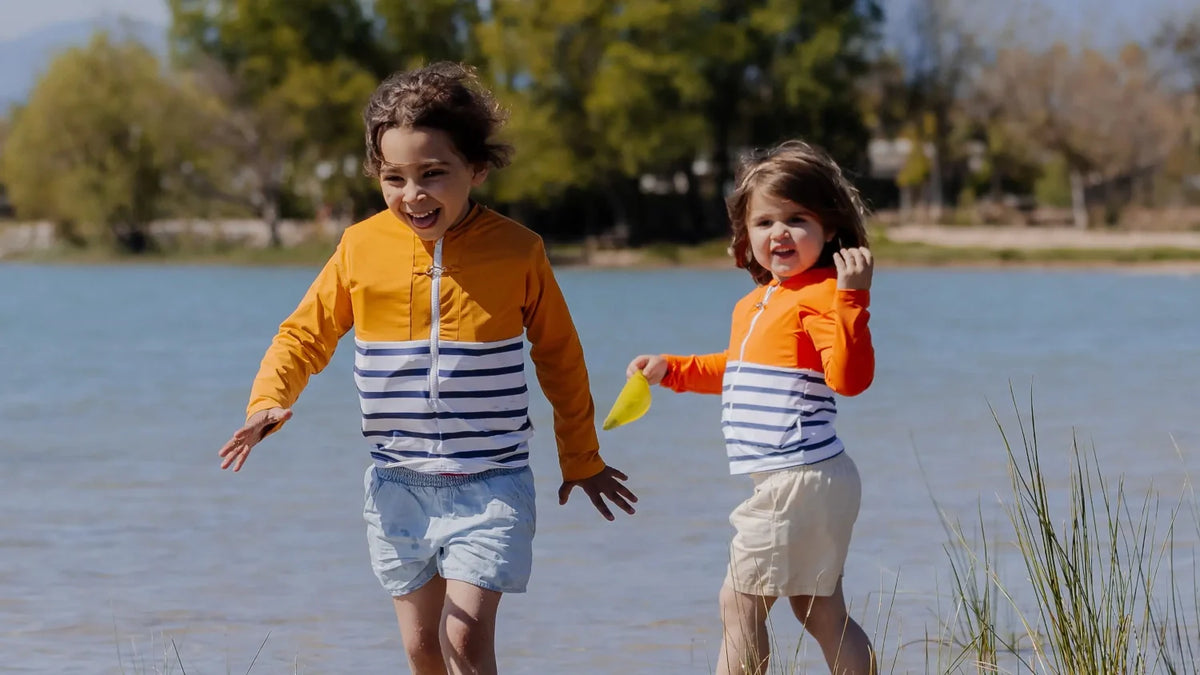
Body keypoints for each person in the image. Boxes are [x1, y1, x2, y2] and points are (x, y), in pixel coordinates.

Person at [217, 62, 637, 675]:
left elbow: (560, 357)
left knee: (464, 638)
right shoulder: (360, 247)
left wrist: (581, 457)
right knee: (422, 649)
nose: (412, 194)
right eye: (394, 177)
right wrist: (266, 405)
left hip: (492, 482)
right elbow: (304, 335)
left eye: (433, 174)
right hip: (397, 484)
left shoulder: (517, 250)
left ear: (477, 169)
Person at [626, 140, 877, 675]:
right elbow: (737, 371)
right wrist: (673, 369)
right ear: (746, 235)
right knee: (818, 610)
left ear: (830, 228)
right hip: (806, 479)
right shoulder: (757, 302)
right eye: (764, 222)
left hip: (798, 477)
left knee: (738, 603)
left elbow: (850, 380)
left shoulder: (823, 295)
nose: (779, 233)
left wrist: (853, 300)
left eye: (796, 219)